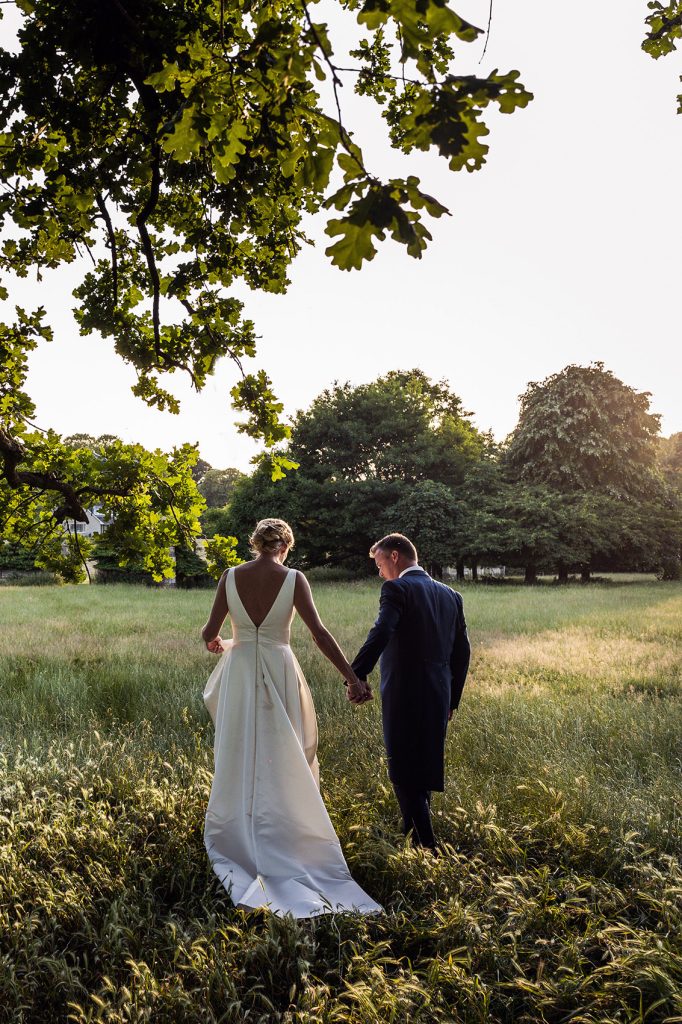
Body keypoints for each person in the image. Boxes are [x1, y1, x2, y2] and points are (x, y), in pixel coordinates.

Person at [200, 518, 380, 918]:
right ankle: (285, 831)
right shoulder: (294, 578)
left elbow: (209, 632)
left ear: (255, 544)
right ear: (286, 546)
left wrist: (222, 642)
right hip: (280, 667)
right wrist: (352, 678)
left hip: (243, 669)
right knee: (286, 750)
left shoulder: (230, 576)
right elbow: (318, 632)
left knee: (242, 747)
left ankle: (242, 832)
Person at [350, 533, 470, 852]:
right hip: (439, 693)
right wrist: (452, 699)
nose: (379, 573)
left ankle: (424, 845)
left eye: (379, 564)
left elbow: (383, 630)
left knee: (403, 767)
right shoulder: (451, 595)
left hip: (404, 692)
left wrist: (356, 673)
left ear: (394, 557)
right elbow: (463, 652)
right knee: (424, 764)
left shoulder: (396, 588)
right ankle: (411, 830)